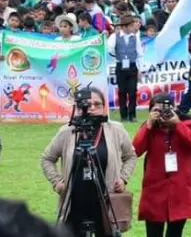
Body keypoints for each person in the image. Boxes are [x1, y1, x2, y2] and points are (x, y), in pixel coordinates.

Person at [40, 85, 137, 237]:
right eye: (86, 105)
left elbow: (130, 156)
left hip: (105, 201)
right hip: (74, 200)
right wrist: (57, 182)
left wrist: (124, 178)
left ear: (104, 107)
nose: (91, 108)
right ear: (77, 108)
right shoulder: (67, 131)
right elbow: (47, 158)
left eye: (97, 104)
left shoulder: (116, 129)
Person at [133, 93, 191, 237]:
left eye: (166, 109)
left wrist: (177, 124)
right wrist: (148, 125)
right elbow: (135, 150)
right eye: (157, 110)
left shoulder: (188, 124)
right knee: (153, 233)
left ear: (174, 108)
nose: (162, 114)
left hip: (180, 189)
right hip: (155, 189)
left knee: (175, 233)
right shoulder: (149, 129)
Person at [106, 14, 143, 122]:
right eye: (132, 25)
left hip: (132, 66)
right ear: (125, 26)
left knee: (132, 91)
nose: (134, 27)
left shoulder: (135, 37)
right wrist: (117, 54)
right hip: (120, 66)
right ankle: (123, 115)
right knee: (122, 91)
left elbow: (140, 54)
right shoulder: (114, 36)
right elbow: (111, 50)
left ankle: (132, 115)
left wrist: (140, 69)